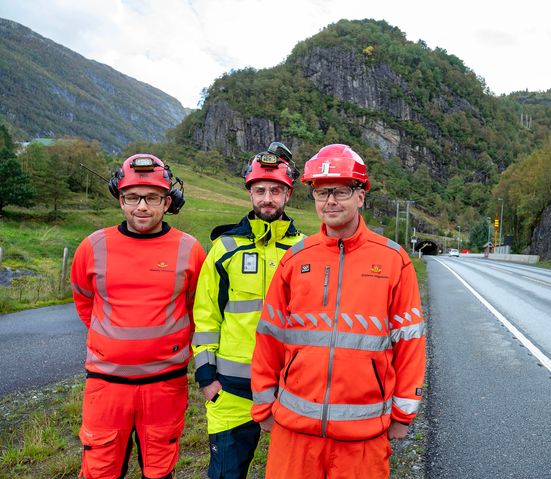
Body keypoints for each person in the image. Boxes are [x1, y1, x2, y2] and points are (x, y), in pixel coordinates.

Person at [251, 144, 426, 478]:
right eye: (321, 192)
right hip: (294, 434)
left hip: (363, 438)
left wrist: (403, 416)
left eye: (341, 191)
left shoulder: (394, 261)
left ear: (361, 196)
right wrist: (263, 404)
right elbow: (269, 335)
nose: (329, 201)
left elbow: (410, 344)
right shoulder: (296, 259)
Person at [70, 153, 206, 479]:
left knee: (159, 470)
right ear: (120, 199)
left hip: (165, 385)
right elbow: (84, 301)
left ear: (168, 201)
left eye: (152, 198)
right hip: (106, 385)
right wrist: (115, 345)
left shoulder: (190, 250)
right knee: (100, 469)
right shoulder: (92, 246)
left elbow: (193, 308)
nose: (141, 207)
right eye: (132, 197)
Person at [192, 142, 304, 479]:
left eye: (275, 190)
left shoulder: (304, 250)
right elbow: (206, 315)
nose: (267, 198)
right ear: (250, 192)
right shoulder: (223, 248)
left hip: (291, 389)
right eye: (260, 190)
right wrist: (206, 377)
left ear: (288, 194)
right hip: (230, 391)